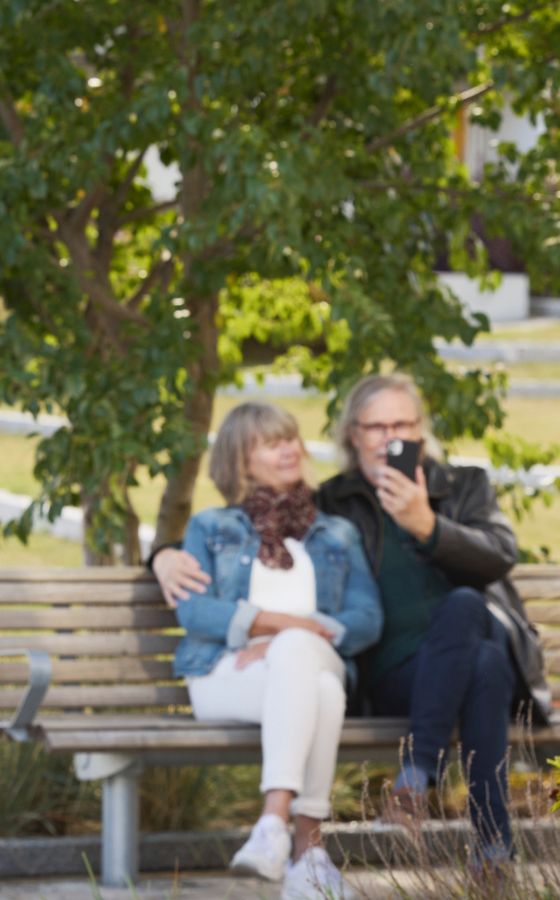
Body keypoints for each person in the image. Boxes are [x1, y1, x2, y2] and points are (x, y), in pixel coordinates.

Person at [154, 374, 550, 867]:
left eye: (402, 423)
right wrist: (163, 556)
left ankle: (417, 779)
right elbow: (251, 522)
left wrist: (425, 524)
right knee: (486, 666)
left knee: (468, 609)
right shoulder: (335, 504)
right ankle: (492, 847)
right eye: (376, 426)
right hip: (399, 676)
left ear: (421, 432)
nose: (390, 437)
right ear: (352, 435)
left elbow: (498, 556)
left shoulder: (464, 485)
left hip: (469, 638)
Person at [170, 402, 380, 898]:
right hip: (226, 675)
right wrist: (282, 626)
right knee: (323, 689)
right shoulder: (211, 527)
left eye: (291, 438)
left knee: (302, 662)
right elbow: (195, 612)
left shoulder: (336, 533)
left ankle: (271, 825)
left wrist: (293, 639)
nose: (289, 448)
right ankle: (309, 852)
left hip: (312, 656)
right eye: (271, 442)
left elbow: (367, 619)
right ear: (241, 461)